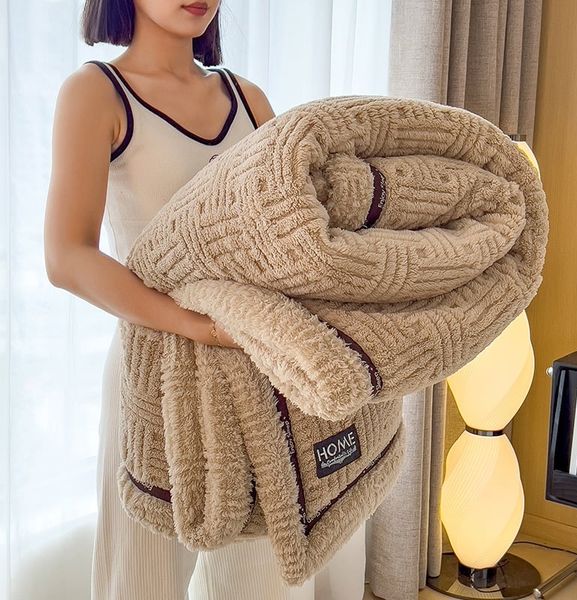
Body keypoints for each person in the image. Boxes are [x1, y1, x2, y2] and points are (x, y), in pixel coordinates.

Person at [43, 1, 367, 599]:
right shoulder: (97, 93)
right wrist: (194, 325)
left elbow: (291, 234)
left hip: (254, 373)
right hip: (156, 377)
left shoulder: (249, 100)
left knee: (259, 579)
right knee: (140, 583)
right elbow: (67, 257)